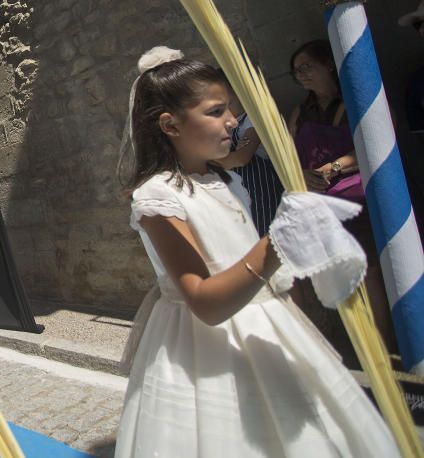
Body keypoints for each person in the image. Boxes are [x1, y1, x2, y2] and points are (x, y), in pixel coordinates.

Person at [114, 52, 397, 457]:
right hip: (207, 348)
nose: (232, 119)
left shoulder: (225, 178)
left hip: (271, 327)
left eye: (230, 108)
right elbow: (204, 302)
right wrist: (277, 242)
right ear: (171, 125)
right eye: (216, 111)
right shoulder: (159, 196)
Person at [286, 39, 394, 349]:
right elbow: (291, 154)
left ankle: (384, 349)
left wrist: (332, 168)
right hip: (321, 204)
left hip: (360, 201)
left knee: (370, 272)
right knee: (345, 277)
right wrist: (303, 175)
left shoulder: (357, 101)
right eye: (296, 72)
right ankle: (366, 347)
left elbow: (376, 142)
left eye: (307, 67)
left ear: (328, 64)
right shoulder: (301, 112)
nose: (302, 75)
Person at [215, 73, 284, 236]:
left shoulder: (254, 118)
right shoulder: (224, 125)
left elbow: (240, 158)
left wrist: (207, 162)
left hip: (263, 194)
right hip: (237, 198)